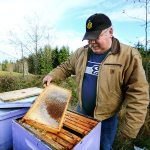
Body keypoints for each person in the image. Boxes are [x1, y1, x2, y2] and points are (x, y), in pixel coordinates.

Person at [43, 13, 149, 150]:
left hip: (107, 118)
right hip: (81, 112)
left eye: (95, 37)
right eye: (89, 38)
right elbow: (66, 67)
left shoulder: (128, 55)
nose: (91, 42)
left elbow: (139, 94)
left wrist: (129, 128)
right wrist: (52, 75)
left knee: (103, 147)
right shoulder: (81, 53)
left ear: (110, 32)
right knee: (80, 145)